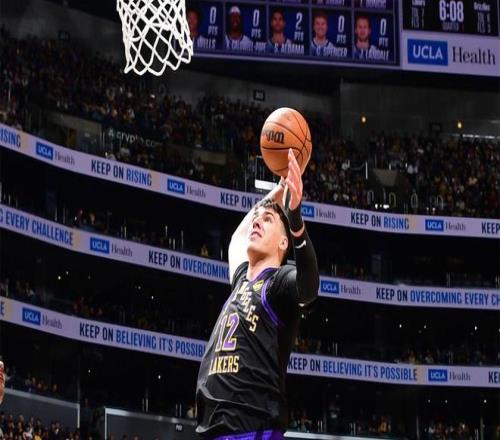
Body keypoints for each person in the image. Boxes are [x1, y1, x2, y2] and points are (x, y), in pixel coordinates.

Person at [196, 149, 319, 439]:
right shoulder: (241, 279)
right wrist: (279, 191)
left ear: (283, 243)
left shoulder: (279, 282)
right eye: (257, 219)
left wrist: (295, 221)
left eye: (268, 220)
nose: (256, 221)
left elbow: (308, 289)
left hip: (252, 429)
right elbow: (237, 237)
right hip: (213, 430)